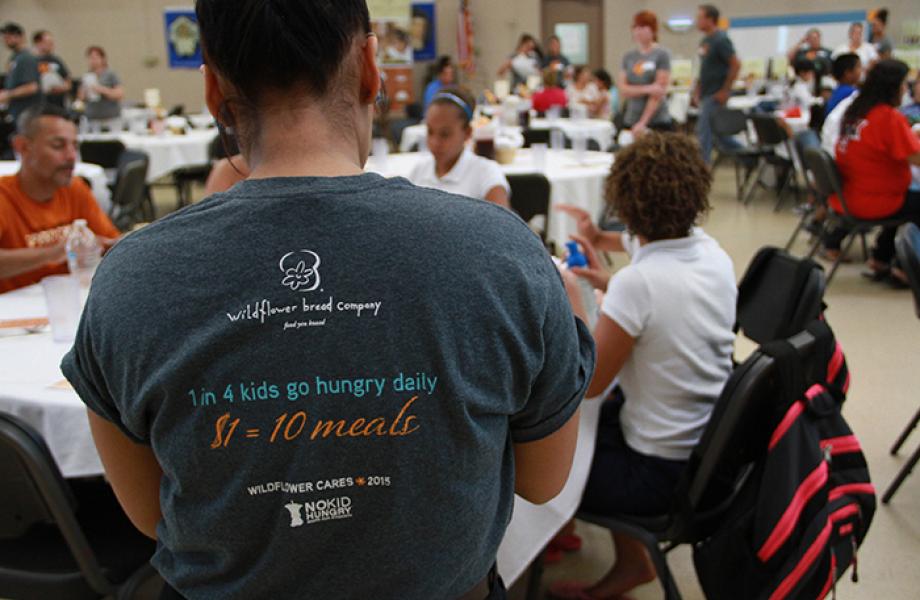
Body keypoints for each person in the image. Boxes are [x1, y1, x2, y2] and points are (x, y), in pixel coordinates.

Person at [61, 3, 595, 600]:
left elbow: (149, 514)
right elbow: (545, 480)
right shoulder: (503, 253)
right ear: (371, 66)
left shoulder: (131, 280)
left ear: (213, 89)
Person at [549, 132, 736, 600]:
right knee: (602, 419)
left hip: (657, 477)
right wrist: (603, 263)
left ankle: (567, 535)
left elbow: (586, 384)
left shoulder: (639, 285)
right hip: (710, 452)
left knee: (550, 455)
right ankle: (614, 554)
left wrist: (574, 297)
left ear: (626, 205)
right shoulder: (712, 253)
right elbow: (655, 279)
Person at [0, 105, 120, 293]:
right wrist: (54, 253)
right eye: (58, 145)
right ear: (23, 146)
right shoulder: (4, 196)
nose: (71, 156)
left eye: (74, 146)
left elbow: (109, 242)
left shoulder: (76, 188)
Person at [832, 60, 920, 286]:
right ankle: (904, 267)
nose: (906, 90)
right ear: (893, 87)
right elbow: (916, 158)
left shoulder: (857, 112)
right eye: (904, 84)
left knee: (910, 199)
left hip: (851, 193)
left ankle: (881, 256)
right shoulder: (887, 117)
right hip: (874, 199)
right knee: (914, 202)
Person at [409, 87, 510, 207]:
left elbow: (502, 224)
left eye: (445, 134)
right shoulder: (419, 171)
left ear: (467, 133)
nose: (434, 142)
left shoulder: (487, 174)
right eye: (430, 131)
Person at [693, 4, 742, 165]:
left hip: (715, 94)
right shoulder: (705, 41)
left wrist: (724, 91)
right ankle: (746, 156)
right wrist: (698, 88)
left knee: (704, 132)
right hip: (706, 92)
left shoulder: (721, 40)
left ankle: (702, 168)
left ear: (710, 19)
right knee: (718, 135)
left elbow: (735, 64)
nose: (697, 21)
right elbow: (705, 67)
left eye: (700, 18)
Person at [618, 10, 673, 135]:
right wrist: (648, 88)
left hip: (656, 119)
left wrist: (643, 122)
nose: (638, 31)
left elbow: (658, 92)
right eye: (635, 27)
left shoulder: (661, 54)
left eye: (642, 27)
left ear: (653, 30)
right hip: (631, 116)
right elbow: (623, 89)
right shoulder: (628, 57)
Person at [0, 22, 42, 123]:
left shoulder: (26, 58)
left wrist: (8, 94)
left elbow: (32, 87)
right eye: (4, 38)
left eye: (8, 37)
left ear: (20, 37)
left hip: (27, 113)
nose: (5, 41)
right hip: (16, 111)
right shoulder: (15, 58)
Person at [78, 46, 124, 122]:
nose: (93, 61)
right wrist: (83, 91)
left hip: (110, 117)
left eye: (95, 58)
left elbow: (120, 94)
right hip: (92, 117)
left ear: (102, 59)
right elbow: (80, 99)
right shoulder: (87, 76)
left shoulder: (110, 74)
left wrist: (102, 90)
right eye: (90, 58)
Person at [786, 28, 832, 97]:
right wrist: (801, 42)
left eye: (816, 38)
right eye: (811, 39)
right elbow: (789, 56)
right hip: (806, 84)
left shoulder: (827, 52)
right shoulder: (803, 53)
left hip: (824, 82)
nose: (814, 41)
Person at [32, 30, 71, 109]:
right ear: (38, 43)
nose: (52, 45)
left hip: (57, 105)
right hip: (38, 105)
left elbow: (68, 81)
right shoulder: (31, 61)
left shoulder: (57, 61)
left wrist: (62, 88)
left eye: (52, 42)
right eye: (48, 42)